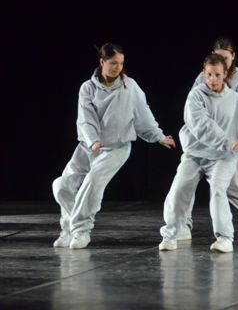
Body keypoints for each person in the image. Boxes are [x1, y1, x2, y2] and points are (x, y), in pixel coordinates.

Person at [52, 43, 176, 249]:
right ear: (102, 62)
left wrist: (159, 136)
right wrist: (93, 141)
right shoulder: (87, 88)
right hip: (88, 147)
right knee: (61, 186)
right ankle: (68, 229)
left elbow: (143, 115)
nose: (118, 67)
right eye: (113, 63)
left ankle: (81, 230)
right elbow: (85, 119)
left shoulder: (129, 87)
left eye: (121, 63)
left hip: (117, 147)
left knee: (93, 182)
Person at [159, 54, 238, 253]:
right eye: (209, 74)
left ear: (225, 74)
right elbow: (201, 124)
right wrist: (225, 142)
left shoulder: (234, 99)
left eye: (217, 75)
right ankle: (170, 235)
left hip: (224, 157)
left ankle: (225, 238)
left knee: (218, 191)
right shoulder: (195, 96)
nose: (213, 79)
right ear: (204, 73)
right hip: (195, 155)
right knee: (179, 189)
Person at [177, 38, 238, 241]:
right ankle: (183, 224)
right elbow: (193, 109)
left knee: (233, 187)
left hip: (232, 142)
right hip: (204, 142)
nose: (222, 61)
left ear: (233, 57)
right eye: (218, 56)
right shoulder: (203, 77)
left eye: (226, 57)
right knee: (185, 183)